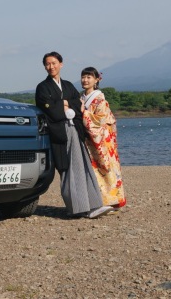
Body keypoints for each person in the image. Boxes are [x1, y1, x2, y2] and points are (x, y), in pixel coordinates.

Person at [35, 52, 112, 219]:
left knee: (82, 166)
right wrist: (66, 104)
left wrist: (65, 103)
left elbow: (79, 105)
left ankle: (93, 204)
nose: (51, 67)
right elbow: (50, 111)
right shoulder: (42, 87)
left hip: (74, 130)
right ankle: (78, 208)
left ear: (61, 64)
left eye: (54, 63)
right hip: (59, 132)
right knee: (67, 168)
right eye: (47, 64)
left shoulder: (68, 85)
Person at [79, 67, 126, 210]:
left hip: (102, 140)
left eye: (89, 77)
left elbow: (100, 120)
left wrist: (84, 113)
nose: (85, 80)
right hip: (90, 139)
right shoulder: (82, 97)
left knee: (105, 168)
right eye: (83, 77)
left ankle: (112, 201)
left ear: (96, 80)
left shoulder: (99, 99)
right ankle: (98, 201)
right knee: (93, 170)